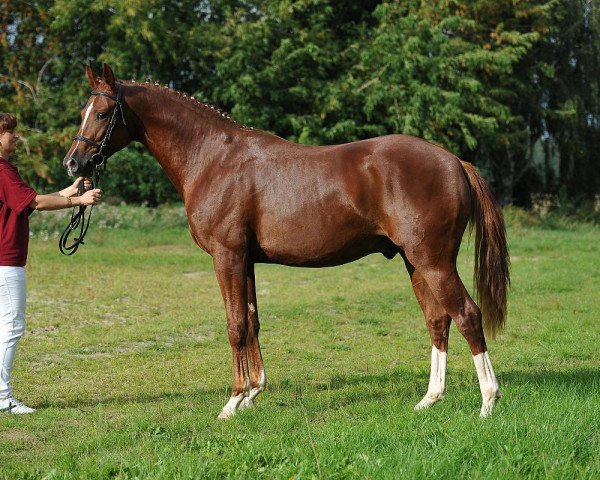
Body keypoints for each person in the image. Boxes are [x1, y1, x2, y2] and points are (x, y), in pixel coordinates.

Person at [0, 112, 102, 414]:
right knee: (13, 325)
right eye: (11, 133)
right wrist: (79, 202)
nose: (16, 137)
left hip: (6, 259)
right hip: (6, 260)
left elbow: (31, 200)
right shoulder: (3, 171)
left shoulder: (6, 170)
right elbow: (36, 203)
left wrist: (70, 191)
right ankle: (3, 398)